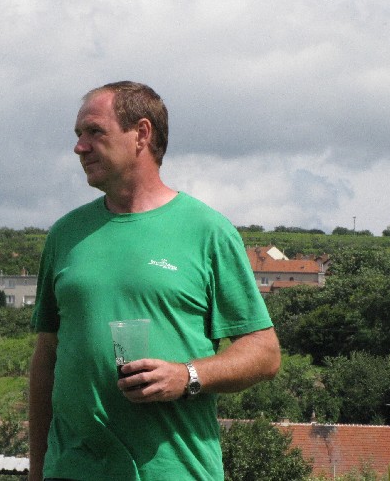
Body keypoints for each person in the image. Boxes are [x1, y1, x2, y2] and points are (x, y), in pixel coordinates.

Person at [29, 81, 281, 481]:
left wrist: (187, 376)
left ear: (141, 134)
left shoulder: (207, 231)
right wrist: (38, 470)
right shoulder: (65, 234)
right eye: (78, 134)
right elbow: (47, 358)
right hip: (73, 469)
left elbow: (264, 353)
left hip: (174, 471)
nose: (80, 147)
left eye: (95, 132)